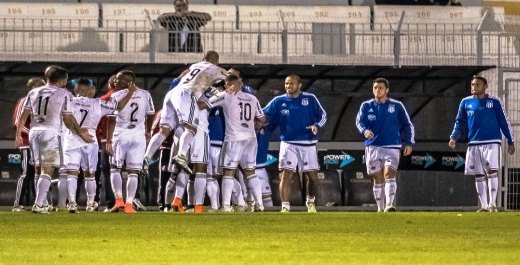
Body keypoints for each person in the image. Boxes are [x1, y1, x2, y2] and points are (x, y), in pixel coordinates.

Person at [15, 65, 94, 214]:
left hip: (34, 132)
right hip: (50, 132)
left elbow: (24, 115)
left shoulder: (33, 92)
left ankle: (43, 203)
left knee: (39, 169)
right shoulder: (64, 93)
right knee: (48, 169)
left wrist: (18, 134)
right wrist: (81, 135)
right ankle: (39, 204)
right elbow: (68, 118)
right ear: (63, 80)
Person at [165, 50, 227, 213]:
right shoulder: (216, 79)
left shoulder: (188, 76)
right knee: (200, 168)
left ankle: (177, 201)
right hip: (199, 128)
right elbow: (205, 103)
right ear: (216, 63)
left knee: (183, 166)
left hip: (183, 127)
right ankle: (199, 206)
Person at [63, 78, 135, 213]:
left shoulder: (69, 100)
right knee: (90, 174)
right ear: (89, 90)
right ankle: (91, 203)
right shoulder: (98, 103)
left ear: (78, 89)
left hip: (72, 138)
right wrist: (130, 92)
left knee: (72, 174)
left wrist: (79, 133)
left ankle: (72, 203)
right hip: (91, 140)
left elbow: (67, 119)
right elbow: (118, 106)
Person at [198, 74, 266, 212]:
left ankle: (226, 206)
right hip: (251, 138)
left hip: (234, 138)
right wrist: (253, 127)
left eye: (227, 85)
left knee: (228, 172)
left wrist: (208, 94)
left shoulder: (225, 95)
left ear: (228, 84)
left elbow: (202, 105)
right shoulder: (252, 98)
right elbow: (262, 119)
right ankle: (259, 204)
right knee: (250, 172)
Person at [449, 76, 515, 212]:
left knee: (492, 171)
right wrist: (454, 137)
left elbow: (504, 121)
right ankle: (484, 206)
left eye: (477, 85)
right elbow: (459, 122)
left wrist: (510, 141)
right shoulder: (465, 102)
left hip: (492, 142)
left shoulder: (494, 102)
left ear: (485, 86)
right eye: (472, 84)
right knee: (478, 174)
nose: (474, 87)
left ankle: (493, 204)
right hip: (473, 143)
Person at [262, 74, 327, 213]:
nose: (288, 86)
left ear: (299, 85)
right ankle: (285, 207)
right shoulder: (278, 101)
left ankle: (310, 202)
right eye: (286, 83)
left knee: (313, 178)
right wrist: (256, 122)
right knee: (286, 175)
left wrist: (317, 126)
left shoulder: (310, 99)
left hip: (308, 143)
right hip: (288, 143)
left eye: (291, 83)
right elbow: (263, 114)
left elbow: (323, 116)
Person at [355, 77, 414, 212]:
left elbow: (407, 125)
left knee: (389, 174)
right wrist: (364, 131)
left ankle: (390, 205)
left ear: (387, 90)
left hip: (392, 146)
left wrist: (408, 142)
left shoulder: (396, 106)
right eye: (375, 88)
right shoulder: (366, 105)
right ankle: (380, 209)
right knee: (377, 177)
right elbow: (359, 122)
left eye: (380, 88)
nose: (377, 90)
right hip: (373, 146)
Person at [106, 70, 155, 214]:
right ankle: (128, 204)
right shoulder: (146, 94)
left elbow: (111, 119)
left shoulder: (115, 95)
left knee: (115, 168)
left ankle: (120, 201)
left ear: (128, 82)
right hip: (138, 136)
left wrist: (108, 141)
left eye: (119, 79)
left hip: (120, 135)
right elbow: (150, 114)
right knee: (134, 171)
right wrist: (147, 131)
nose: (115, 81)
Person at [12, 77, 45, 212]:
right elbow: (17, 122)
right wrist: (31, 134)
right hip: (27, 143)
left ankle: (38, 202)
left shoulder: (40, 102)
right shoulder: (24, 101)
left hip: (37, 143)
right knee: (25, 173)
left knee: (35, 174)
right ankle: (17, 204)